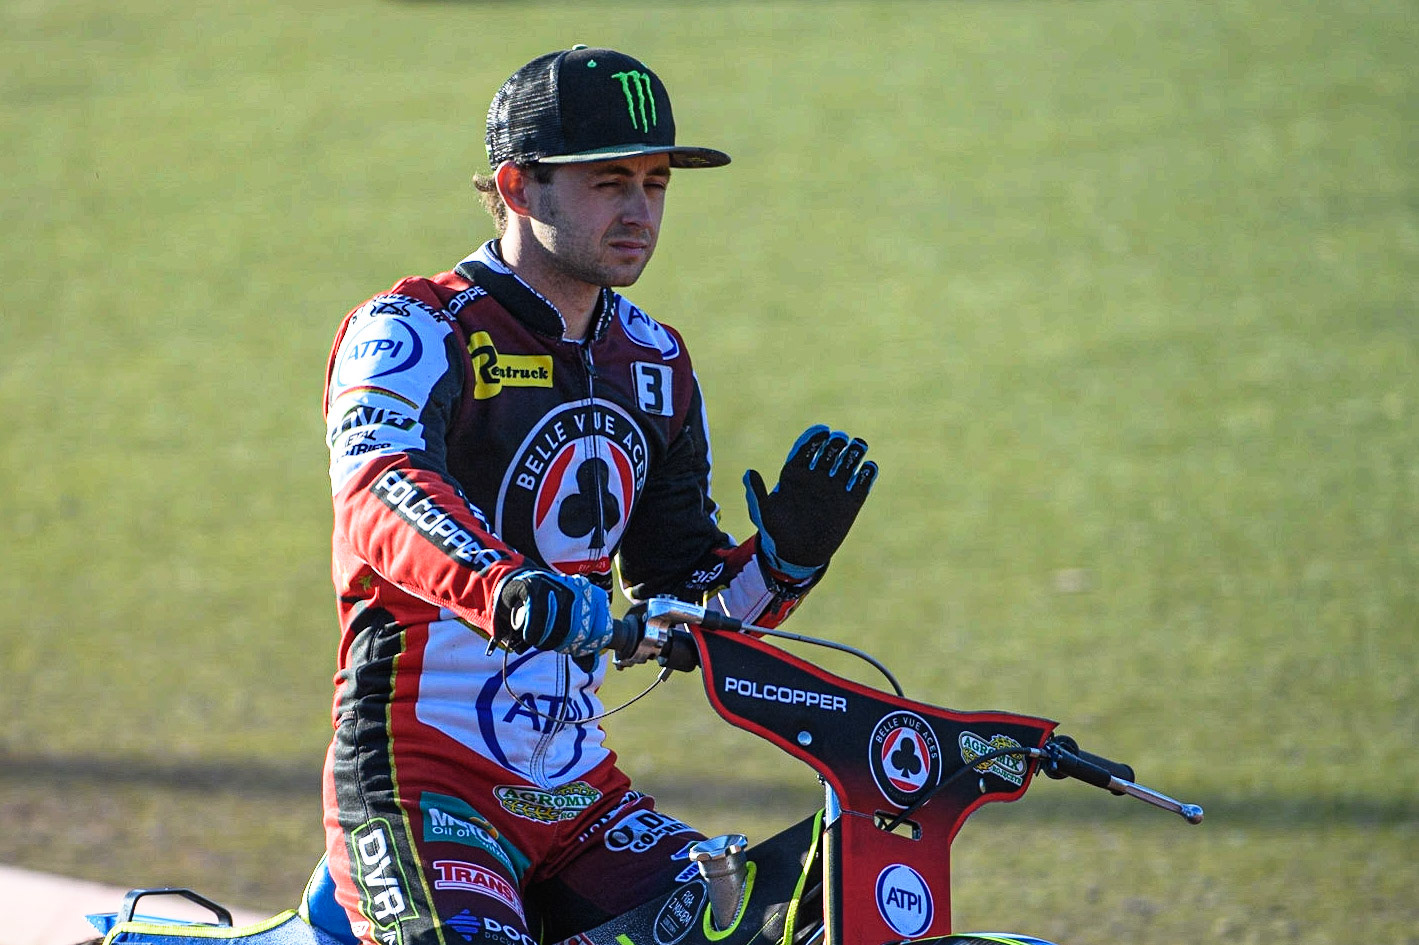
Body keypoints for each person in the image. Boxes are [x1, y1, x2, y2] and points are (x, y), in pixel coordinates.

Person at [319, 46, 878, 945]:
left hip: (580, 799)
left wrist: (781, 564)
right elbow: (380, 493)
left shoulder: (654, 362)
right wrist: (504, 588)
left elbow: (684, 608)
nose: (639, 210)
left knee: (798, 916)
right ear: (515, 186)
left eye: (656, 183)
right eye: (608, 181)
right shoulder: (413, 328)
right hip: (419, 784)